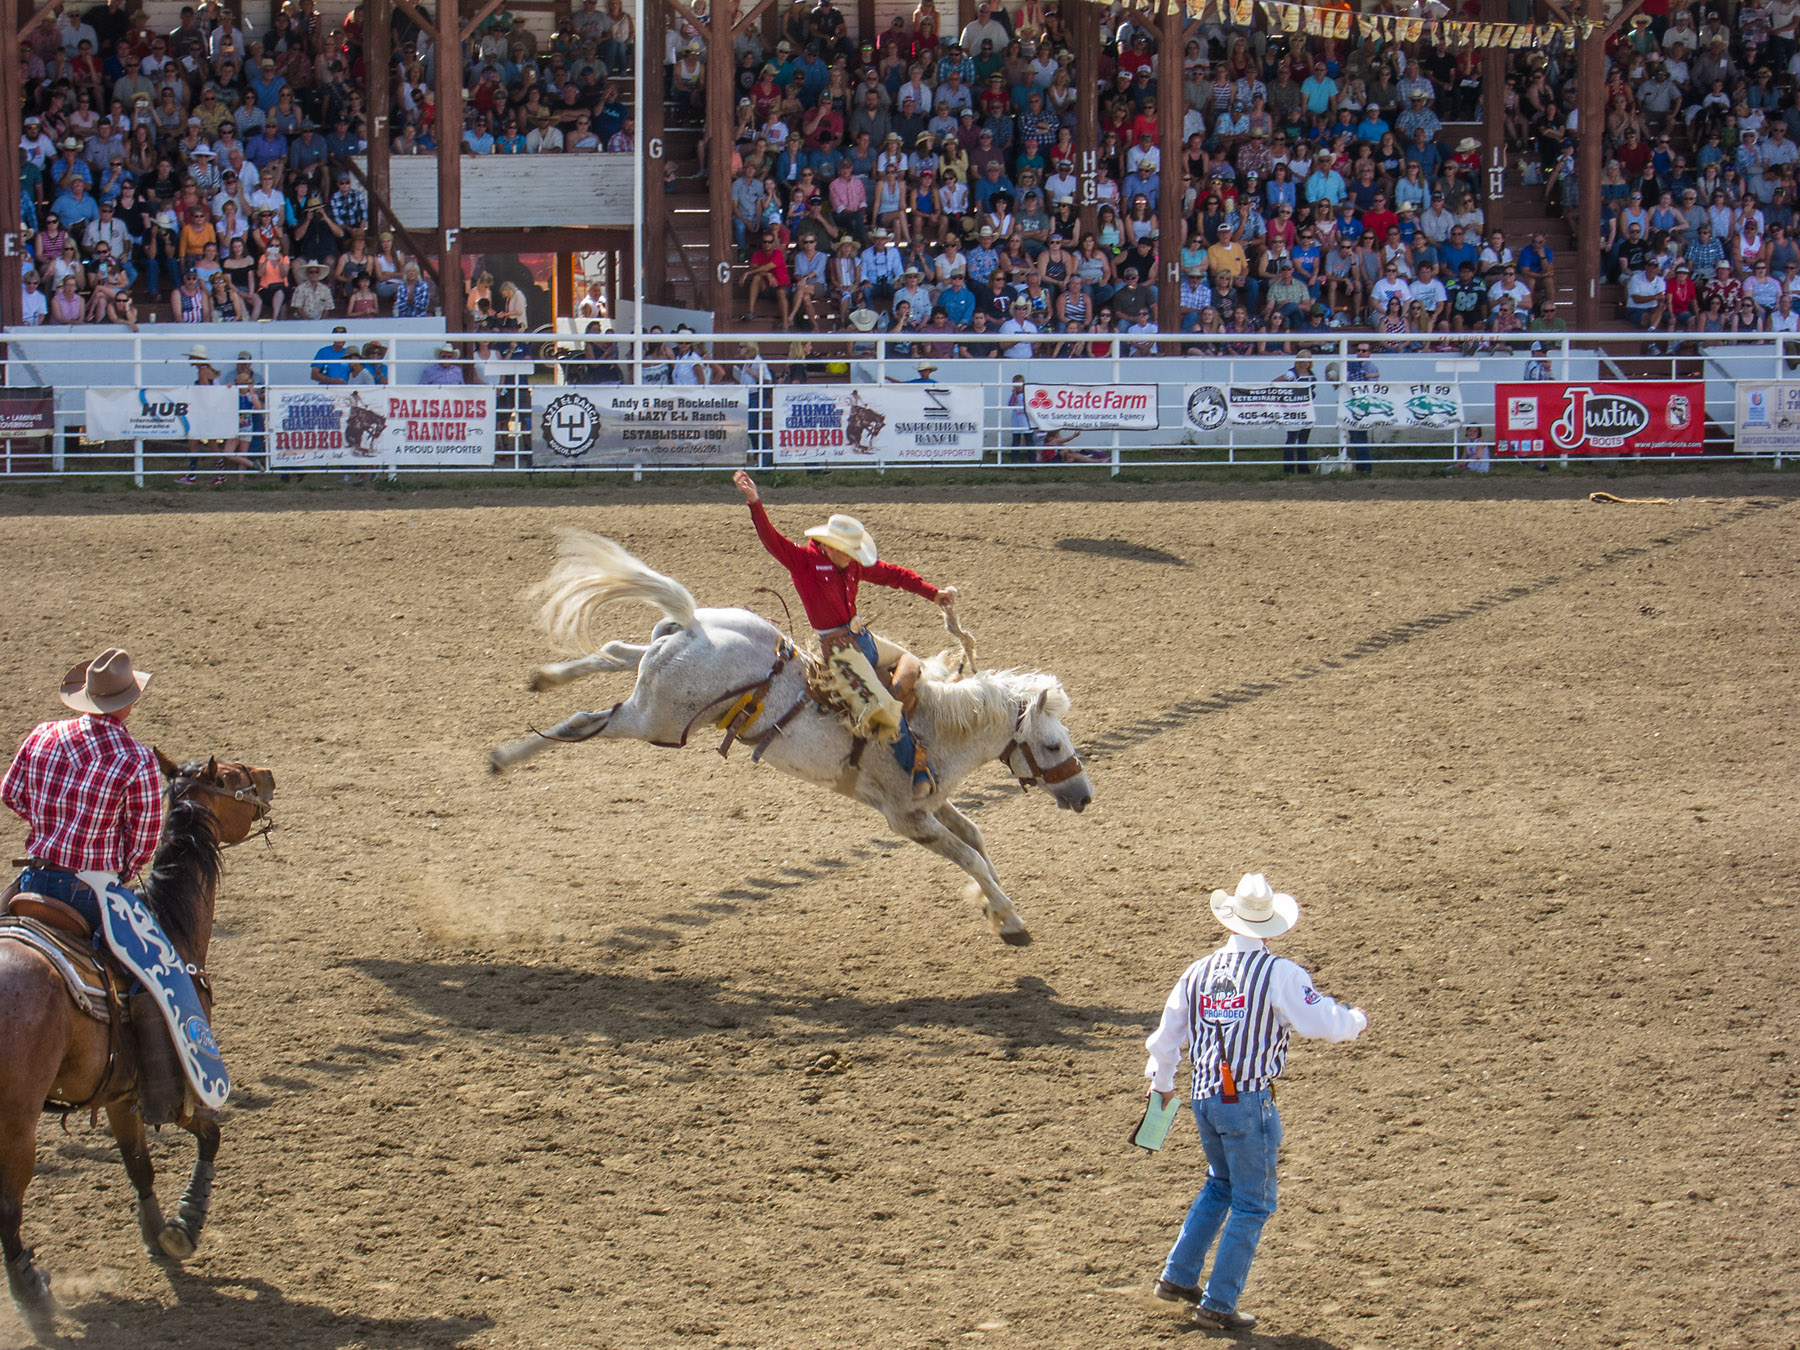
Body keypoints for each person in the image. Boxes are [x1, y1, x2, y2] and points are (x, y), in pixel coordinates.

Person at [1144, 873, 1369, 1333]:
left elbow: (1167, 1038)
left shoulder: (1198, 971)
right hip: (1247, 1100)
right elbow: (1321, 1022)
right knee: (1252, 1203)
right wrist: (1355, 1020)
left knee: (1220, 1185)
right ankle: (1218, 1303)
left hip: (1204, 1098)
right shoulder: (1279, 973)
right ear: (1269, 926)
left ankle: (1177, 1278)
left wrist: (1161, 1084)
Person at [0, 648, 202, 1123]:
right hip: (91, 892)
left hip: (32, 879)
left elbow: (11, 793)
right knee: (159, 973)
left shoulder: (42, 734)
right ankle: (158, 1086)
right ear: (128, 703)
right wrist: (117, 866)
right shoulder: (134, 760)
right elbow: (144, 843)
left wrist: (50, 823)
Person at [732, 470, 958, 798]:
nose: (852, 557)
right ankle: (914, 766)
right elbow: (772, 540)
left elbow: (892, 574)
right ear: (831, 545)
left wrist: (932, 593)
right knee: (880, 710)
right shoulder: (805, 562)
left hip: (863, 639)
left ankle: (895, 706)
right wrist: (755, 501)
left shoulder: (850, 565)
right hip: (839, 652)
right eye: (846, 550)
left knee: (910, 664)